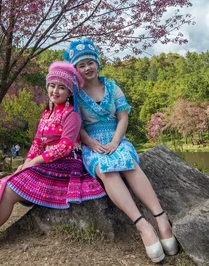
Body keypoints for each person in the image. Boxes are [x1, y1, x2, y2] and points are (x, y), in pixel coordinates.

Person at [0, 62, 106, 265]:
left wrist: (33, 162)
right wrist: (25, 163)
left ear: (70, 91)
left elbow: (65, 147)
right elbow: (36, 143)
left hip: (64, 167)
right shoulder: (46, 114)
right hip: (43, 165)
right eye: (52, 85)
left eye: (61, 87)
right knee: (1, 185)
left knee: (7, 189)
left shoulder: (72, 115)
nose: (55, 90)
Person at [66, 39, 178, 263]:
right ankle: (142, 225)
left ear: (97, 63)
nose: (87, 68)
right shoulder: (74, 94)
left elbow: (123, 116)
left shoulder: (112, 86)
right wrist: (90, 143)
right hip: (93, 142)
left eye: (90, 62)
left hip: (116, 137)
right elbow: (77, 126)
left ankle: (160, 217)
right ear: (75, 70)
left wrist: (116, 142)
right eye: (81, 65)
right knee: (106, 169)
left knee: (128, 162)